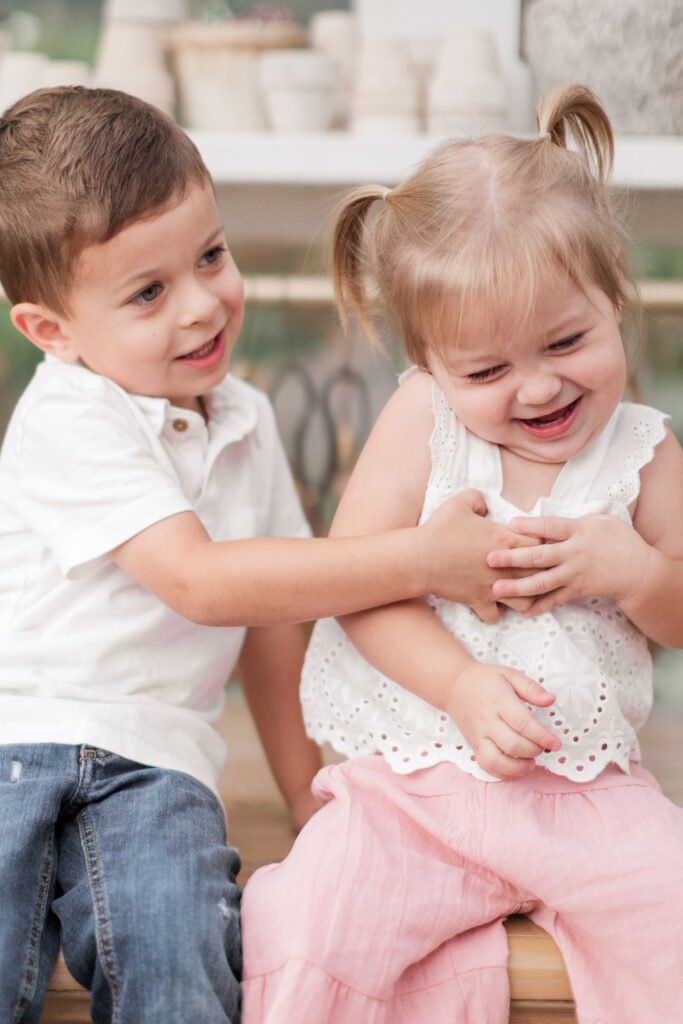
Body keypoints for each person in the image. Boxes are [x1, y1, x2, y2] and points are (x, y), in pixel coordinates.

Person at [0, 86, 538, 1024]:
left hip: (160, 773)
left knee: (183, 960)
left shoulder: (245, 421)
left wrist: (303, 793)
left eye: (210, 255)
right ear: (53, 332)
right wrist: (422, 559)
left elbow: (274, 623)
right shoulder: (68, 414)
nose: (204, 305)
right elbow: (204, 583)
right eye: (148, 293)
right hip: (10, 745)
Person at [241, 84, 683, 1024]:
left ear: (613, 291)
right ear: (430, 364)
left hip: (583, 791)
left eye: (566, 339)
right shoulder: (424, 424)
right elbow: (361, 590)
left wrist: (637, 573)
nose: (537, 386)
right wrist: (459, 686)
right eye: (485, 371)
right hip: (409, 788)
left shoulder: (643, 448)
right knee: (312, 930)